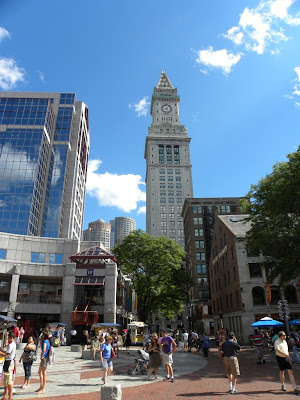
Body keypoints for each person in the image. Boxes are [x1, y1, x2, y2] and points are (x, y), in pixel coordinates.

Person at [0, 332, 16, 400]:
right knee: (6, 380)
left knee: (9, 381)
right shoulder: (12, 344)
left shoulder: (11, 345)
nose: (7, 339)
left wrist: (0, 352)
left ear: (11, 338)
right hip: (8, 362)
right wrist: (1, 350)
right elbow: (6, 353)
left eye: (8, 338)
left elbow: (6, 355)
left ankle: (10, 396)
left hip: (9, 363)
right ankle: (6, 395)